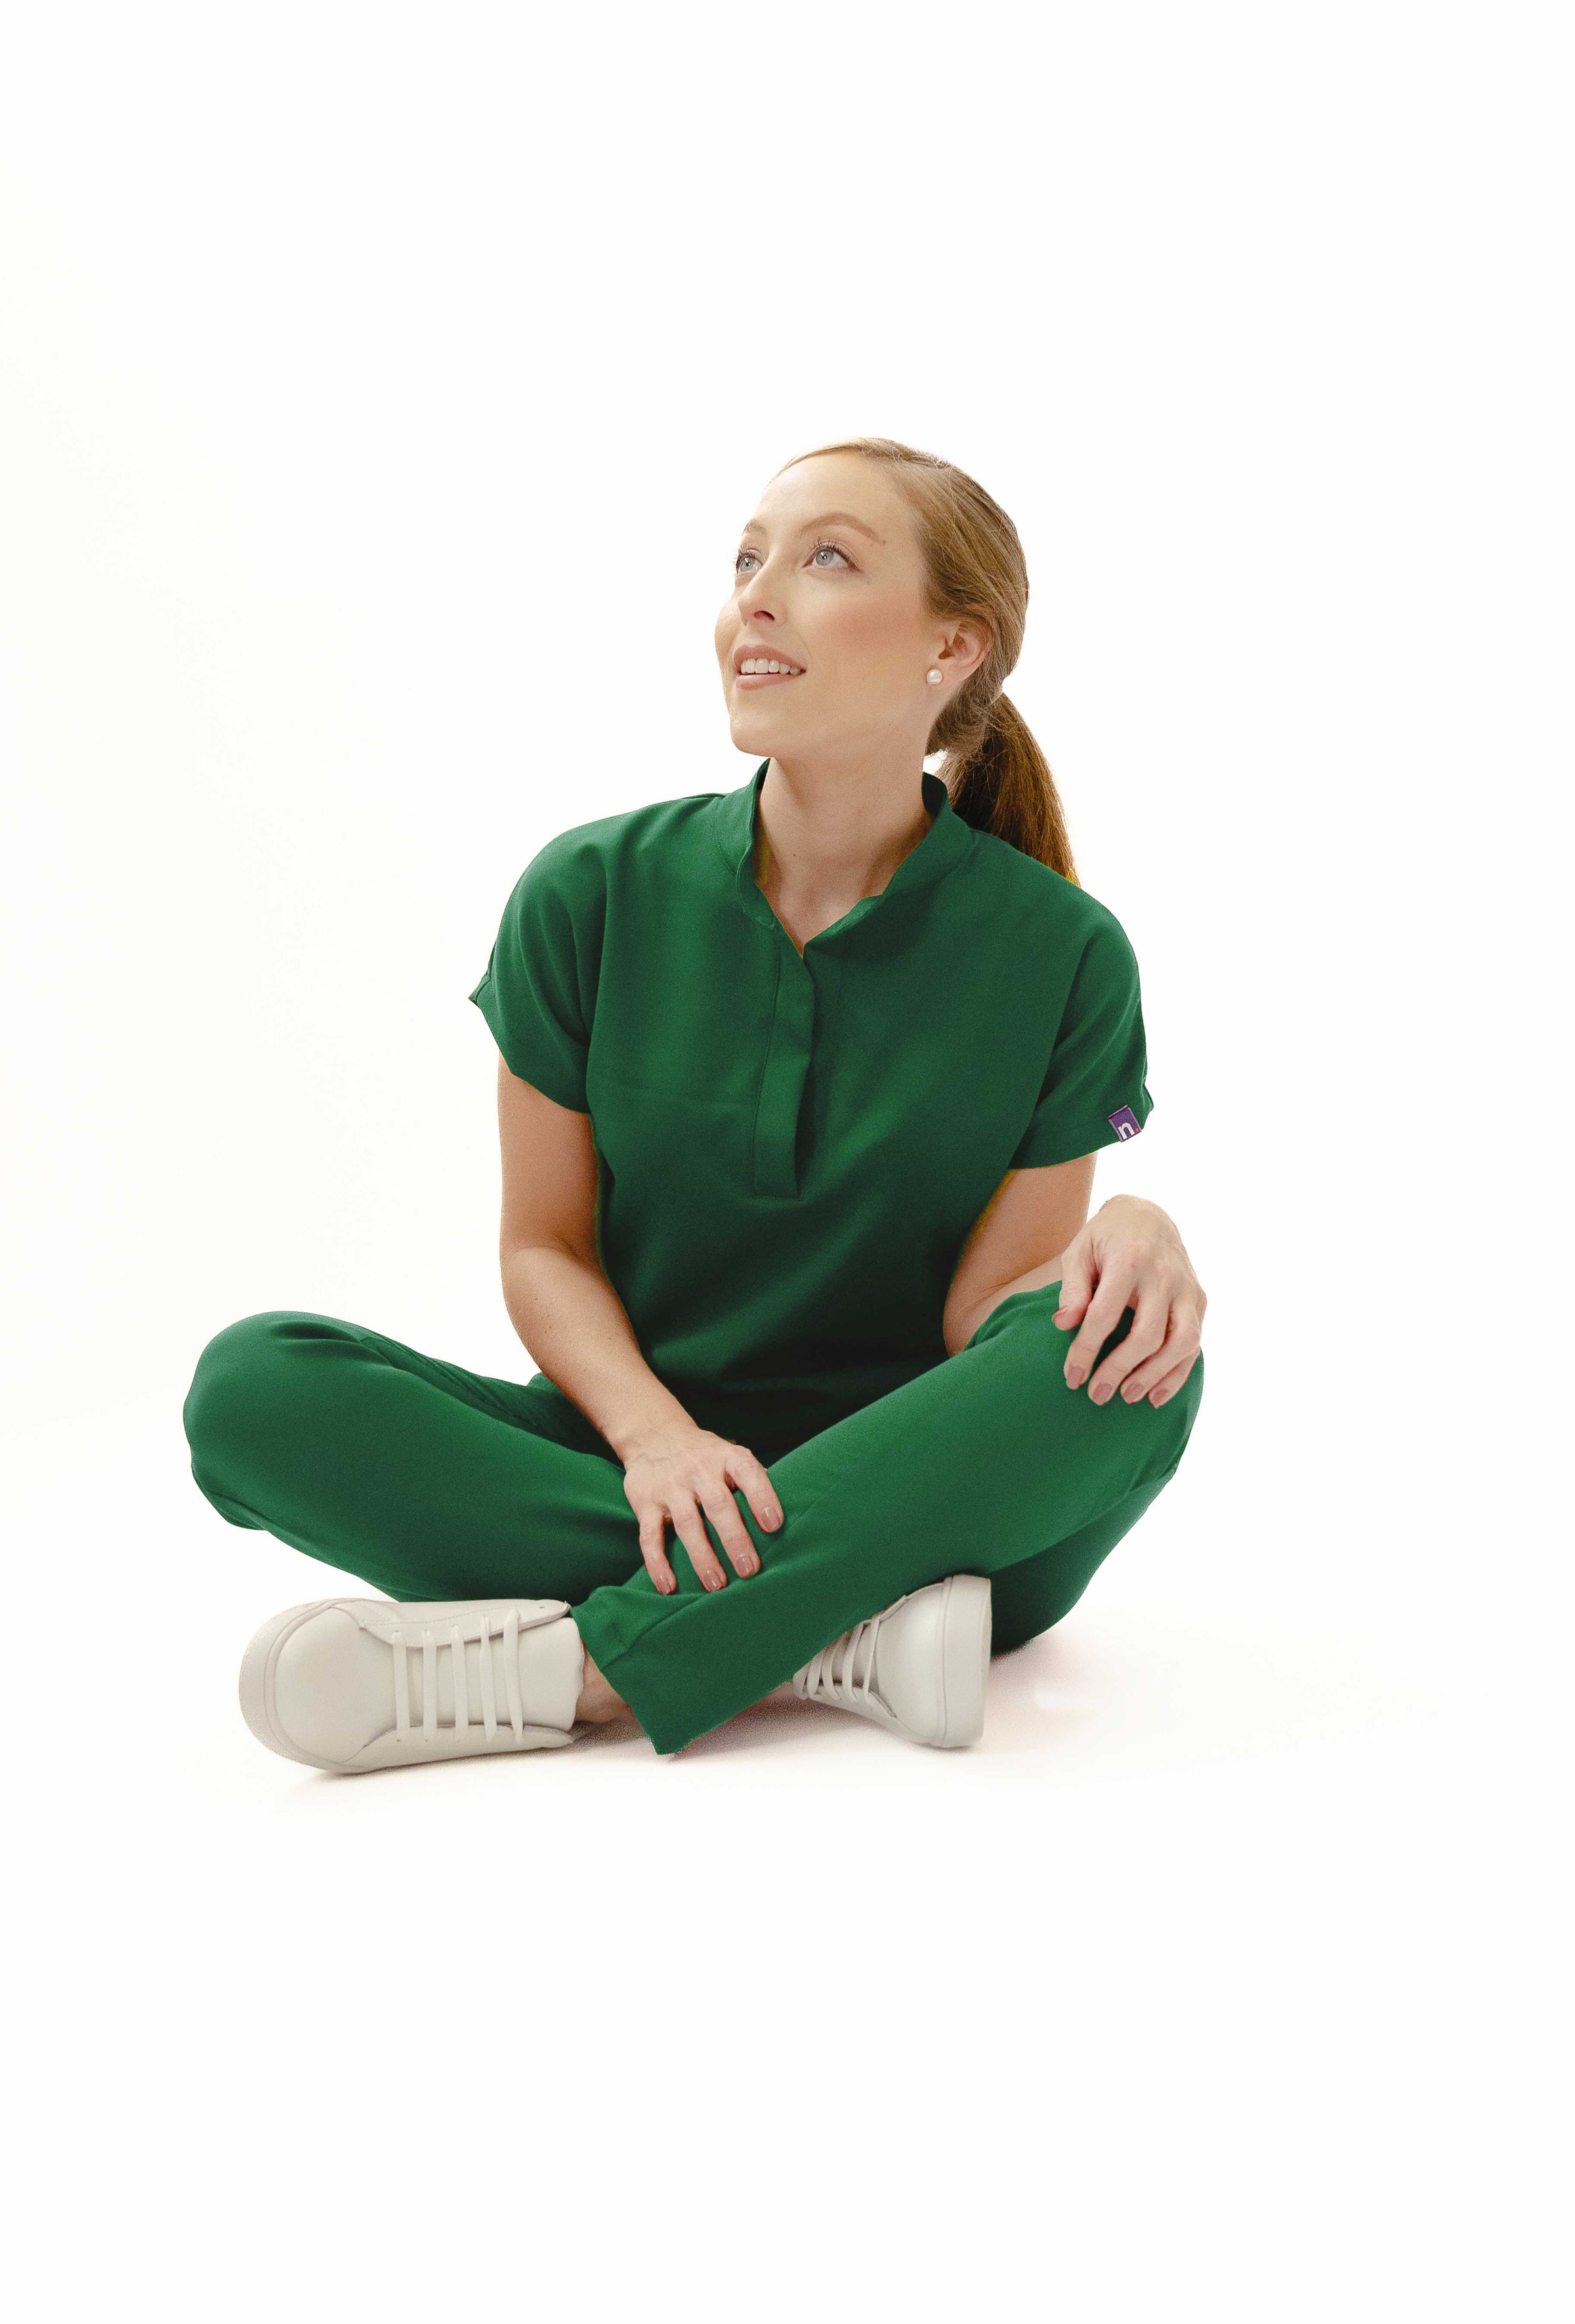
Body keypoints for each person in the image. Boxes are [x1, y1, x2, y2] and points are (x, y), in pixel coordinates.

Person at [182, 434, 1208, 1772]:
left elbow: (990, 1318)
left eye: (825, 559)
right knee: (253, 1392)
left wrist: (1131, 1232)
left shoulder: (1065, 954)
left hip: (923, 1474)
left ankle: (588, 1669)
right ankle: (847, 1634)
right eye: (745, 560)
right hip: (639, 1465)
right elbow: (544, 1248)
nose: (755, 598)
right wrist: (659, 1441)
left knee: (1137, 1371)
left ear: (952, 647)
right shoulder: (589, 894)